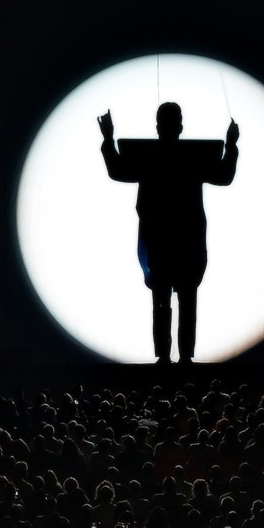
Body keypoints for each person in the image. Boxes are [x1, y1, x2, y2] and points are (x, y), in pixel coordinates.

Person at [98, 102, 239, 365]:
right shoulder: (193, 159)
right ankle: (182, 356)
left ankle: (166, 356)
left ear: (158, 127)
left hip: (160, 239)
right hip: (185, 239)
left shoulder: (148, 157)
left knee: (163, 299)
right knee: (185, 299)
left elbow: (117, 169)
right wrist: (231, 145)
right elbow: (224, 174)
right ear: (180, 126)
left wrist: (108, 139)